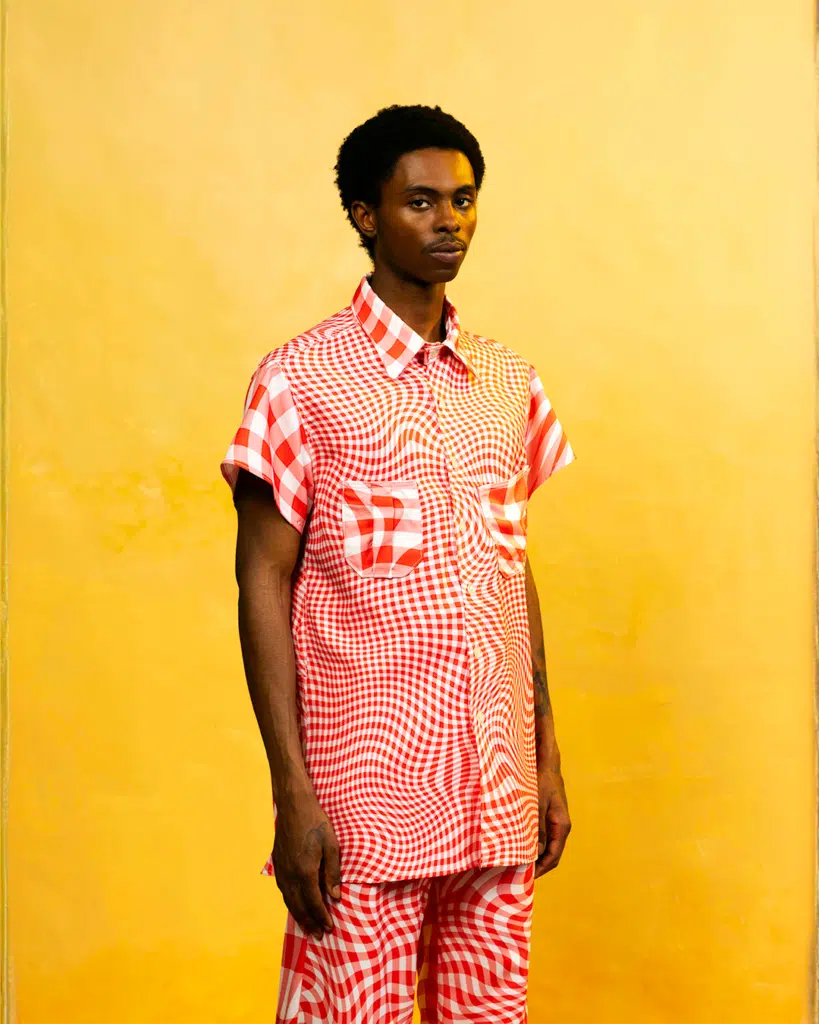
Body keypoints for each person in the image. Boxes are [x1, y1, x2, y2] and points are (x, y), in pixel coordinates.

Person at [221, 103, 575, 1024]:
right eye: (420, 201)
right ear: (364, 215)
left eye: (463, 200)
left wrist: (544, 757)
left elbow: (511, 564)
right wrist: (290, 790)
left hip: (495, 790)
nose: (448, 221)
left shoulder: (508, 384)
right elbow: (261, 579)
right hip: (361, 802)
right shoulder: (299, 380)